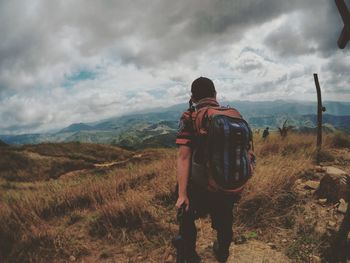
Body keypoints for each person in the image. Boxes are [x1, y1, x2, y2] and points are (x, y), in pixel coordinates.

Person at [175, 77, 252, 262]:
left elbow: (184, 157)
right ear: (215, 94)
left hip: (201, 185)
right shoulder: (233, 113)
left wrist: (182, 194)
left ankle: (189, 253)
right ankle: (222, 251)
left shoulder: (190, 117)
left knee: (185, 214)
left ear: (193, 98)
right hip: (228, 182)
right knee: (225, 219)